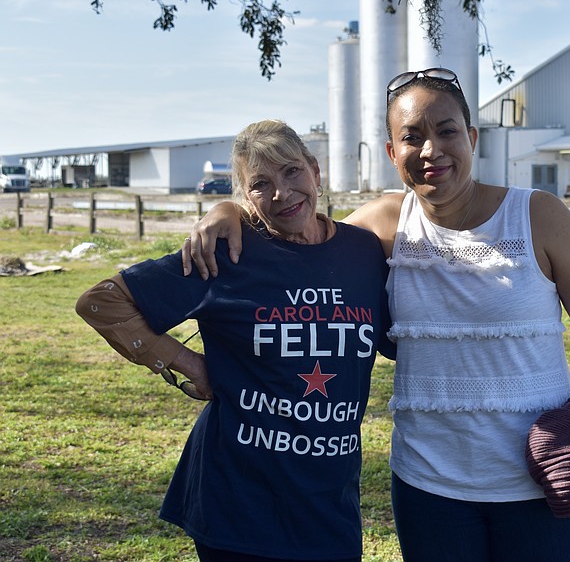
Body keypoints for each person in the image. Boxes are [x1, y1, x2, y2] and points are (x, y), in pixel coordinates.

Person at [184, 68, 570, 562]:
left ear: (471, 138)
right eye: (412, 137)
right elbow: (300, 237)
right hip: (429, 487)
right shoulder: (385, 224)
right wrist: (228, 211)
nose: (431, 150)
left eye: (447, 131)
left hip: (541, 484)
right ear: (393, 153)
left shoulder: (538, 215)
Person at [76, 119, 394, 562]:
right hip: (238, 502)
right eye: (261, 184)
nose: (282, 193)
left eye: (291, 172)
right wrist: (191, 366)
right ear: (246, 195)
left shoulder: (363, 252)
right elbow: (102, 302)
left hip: (329, 501)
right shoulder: (228, 254)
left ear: (316, 172)